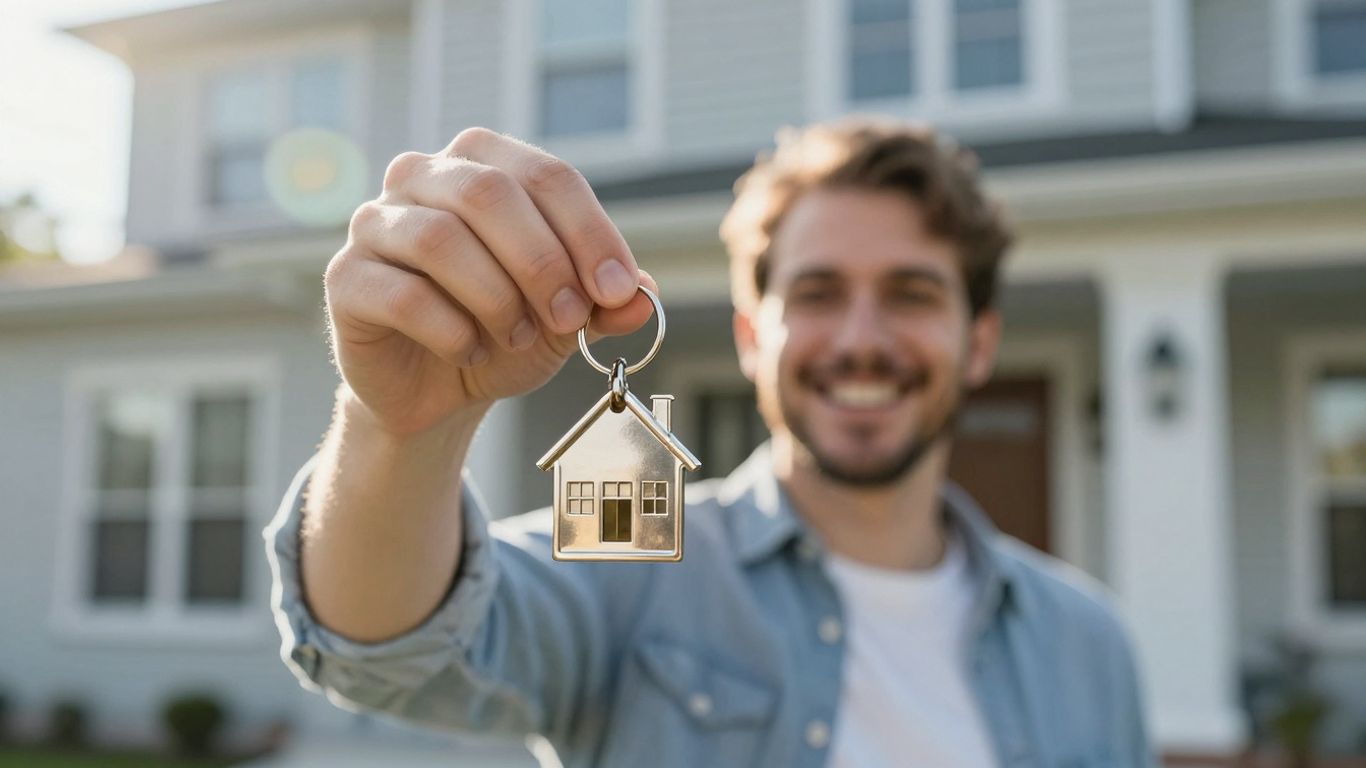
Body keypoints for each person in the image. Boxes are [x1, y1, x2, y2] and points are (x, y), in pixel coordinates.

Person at [265, 118, 1155, 767]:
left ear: (980, 343)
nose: (861, 339)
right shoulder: (633, 565)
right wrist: (401, 430)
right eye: (818, 293)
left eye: (912, 294)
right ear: (752, 337)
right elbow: (387, 651)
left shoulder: (1089, 642)